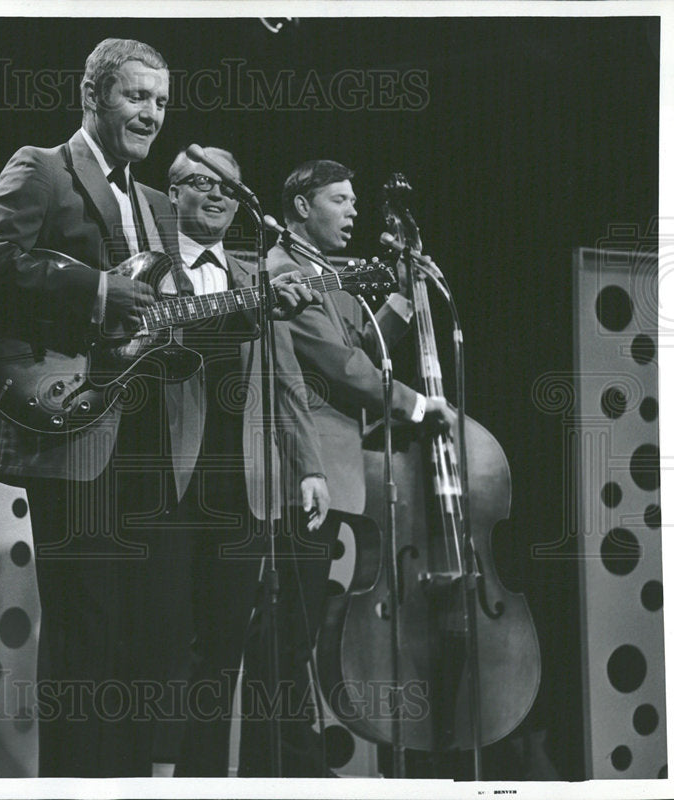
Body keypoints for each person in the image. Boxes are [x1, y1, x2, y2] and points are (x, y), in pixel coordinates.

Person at [0, 39, 321, 776]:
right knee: (83, 632)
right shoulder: (41, 167)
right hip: (72, 424)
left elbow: (174, 317)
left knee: (139, 642)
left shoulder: (156, 204)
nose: (151, 113)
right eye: (137, 96)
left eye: (161, 101)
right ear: (93, 95)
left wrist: (262, 304)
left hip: (146, 447)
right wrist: (98, 290)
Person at [239, 159, 455, 776]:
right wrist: (417, 404)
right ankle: (284, 766)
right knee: (287, 635)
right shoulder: (283, 274)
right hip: (297, 475)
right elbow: (342, 368)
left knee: (300, 633)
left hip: (334, 479)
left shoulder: (327, 274)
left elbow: (366, 346)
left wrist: (405, 295)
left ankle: (287, 761)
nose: (353, 211)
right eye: (339, 199)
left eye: (354, 199)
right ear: (301, 206)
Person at [160, 147, 331, 777]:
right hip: (161, 484)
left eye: (229, 188)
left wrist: (309, 467)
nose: (217, 196)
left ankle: (201, 781)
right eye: (201, 183)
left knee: (223, 647)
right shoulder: (148, 267)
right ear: (171, 193)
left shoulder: (253, 276)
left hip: (240, 490)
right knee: (158, 644)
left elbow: (286, 380)